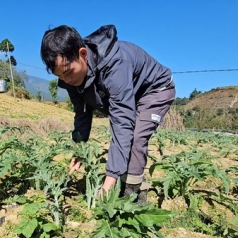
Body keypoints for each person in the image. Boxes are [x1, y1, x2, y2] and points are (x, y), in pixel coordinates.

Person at [40, 25, 176, 205]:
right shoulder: (71, 80)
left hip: (155, 89)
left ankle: (133, 197)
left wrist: (109, 180)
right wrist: (79, 149)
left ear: (83, 54)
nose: (67, 80)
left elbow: (122, 122)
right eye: (61, 77)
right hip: (131, 92)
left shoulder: (115, 64)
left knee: (135, 137)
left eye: (68, 72)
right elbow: (82, 113)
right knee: (126, 138)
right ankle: (123, 183)